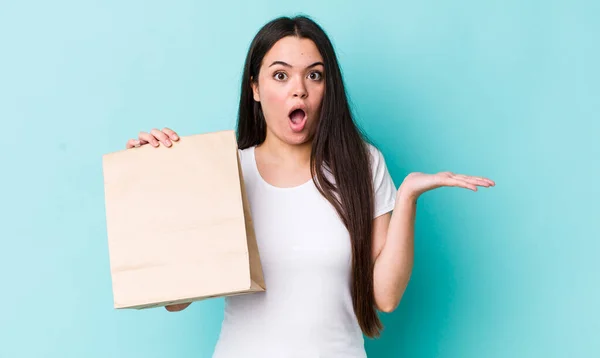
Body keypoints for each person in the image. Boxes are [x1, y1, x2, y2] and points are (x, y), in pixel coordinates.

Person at [124, 15, 495, 358]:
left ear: (327, 88)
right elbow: (175, 300)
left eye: (314, 75)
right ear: (254, 88)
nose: (299, 90)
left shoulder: (362, 165)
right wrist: (164, 177)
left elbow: (386, 296)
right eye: (280, 76)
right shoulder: (226, 172)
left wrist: (408, 196)